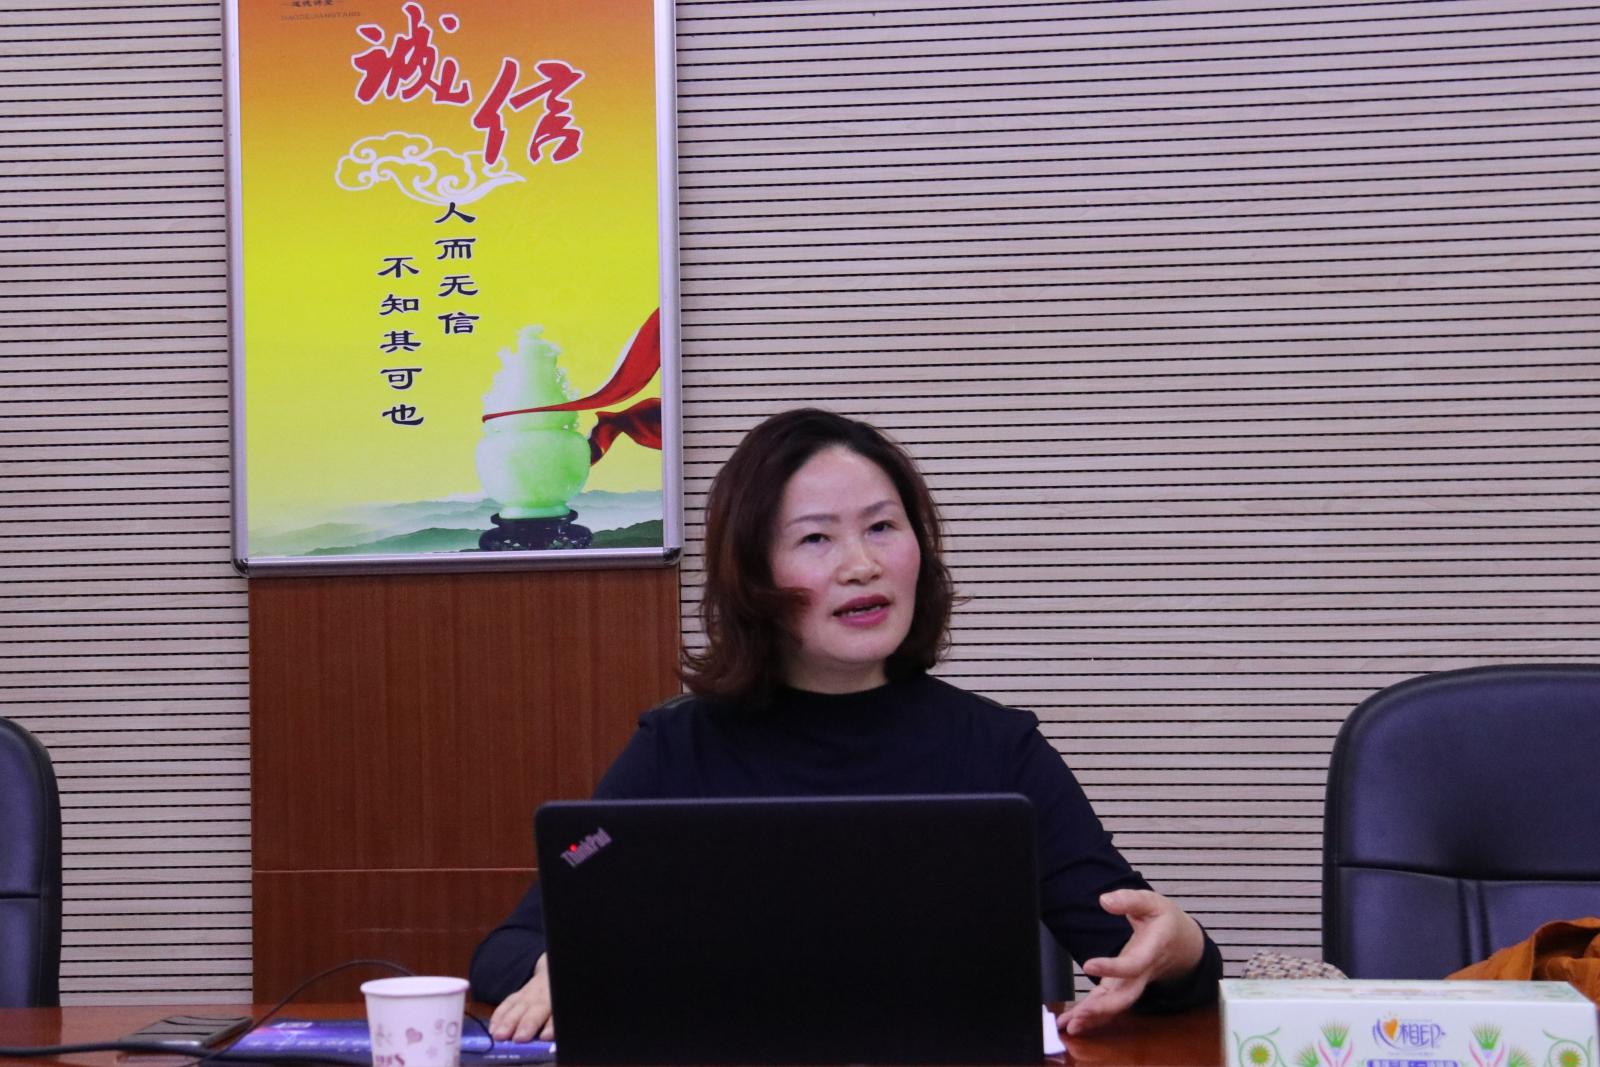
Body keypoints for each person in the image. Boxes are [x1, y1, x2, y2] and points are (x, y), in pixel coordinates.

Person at [470, 407, 1222, 1042]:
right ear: (753, 575)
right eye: (816, 538)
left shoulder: (997, 748)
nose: (862, 565)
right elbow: (510, 947)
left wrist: (1181, 945)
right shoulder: (677, 750)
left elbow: (1137, 957)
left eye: (882, 527)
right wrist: (557, 965)